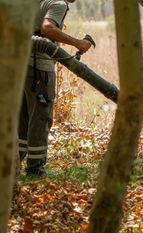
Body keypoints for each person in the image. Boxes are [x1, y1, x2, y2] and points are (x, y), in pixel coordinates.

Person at [18, 0, 92, 176]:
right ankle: (35, 170)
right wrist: (77, 43)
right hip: (39, 69)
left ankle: (12, 164)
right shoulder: (59, 3)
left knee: (22, 119)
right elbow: (47, 28)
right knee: (40, 118)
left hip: (20, 65)